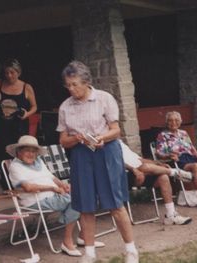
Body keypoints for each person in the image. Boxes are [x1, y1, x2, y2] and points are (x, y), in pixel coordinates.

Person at [57, 61, 138, 263]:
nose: (71, 89)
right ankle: (90, 253)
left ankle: (131, 250)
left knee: (115, 203)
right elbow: (63, 141)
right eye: (68, 85)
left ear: (86, 82)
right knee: (85, 206)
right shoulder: (65, 107)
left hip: (107, 151)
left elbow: (116, 130)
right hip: (81, 155)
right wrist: (77, 138)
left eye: (75, 84)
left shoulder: (104, 98)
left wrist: (102, 137)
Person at [6, 135, 105, 257]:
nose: (31, 154)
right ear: (18, 152)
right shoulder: (16, 166)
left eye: (33, 151)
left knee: (84, 194)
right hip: (35, 200)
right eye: (27, 150)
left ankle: (83, 237)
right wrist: (52, 188)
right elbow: (28, 188)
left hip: (52, 196)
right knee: (77, 200)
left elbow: (51, 177)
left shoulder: (38, 161)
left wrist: (63, 185)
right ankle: (68, 242)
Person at [0, 59, 37, 188]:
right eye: (7, 73)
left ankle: (23, 184)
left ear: (18, 72)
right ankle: (7, 186)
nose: (9, 75)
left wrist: (27, 114)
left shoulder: (26, 87)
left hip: (19, 127)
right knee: (3, 155)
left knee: (20, 154)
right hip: (3, 127)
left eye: (12, 72)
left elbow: (34, 107)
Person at [119, 140, 192, 225]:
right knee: (145, 167)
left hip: (140, 172)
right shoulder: (107, 145)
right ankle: (175, 173)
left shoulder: (120, 143)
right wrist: (133, 169)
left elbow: (138, 159)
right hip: (123, 175)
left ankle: (171, 215)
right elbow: (116, 163)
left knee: (163, 177)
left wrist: (156, 163)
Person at [156, 111, 197, 209]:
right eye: (170, 120)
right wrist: (169, 155)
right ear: (167, 122)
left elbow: (191, 148)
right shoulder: (163, 135)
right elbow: (159, 153)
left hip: (190, 157)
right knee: (196, 166)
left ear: (180, 122)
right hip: (177, 160)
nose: (173, 122)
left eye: (176, 120)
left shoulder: (184, 133)